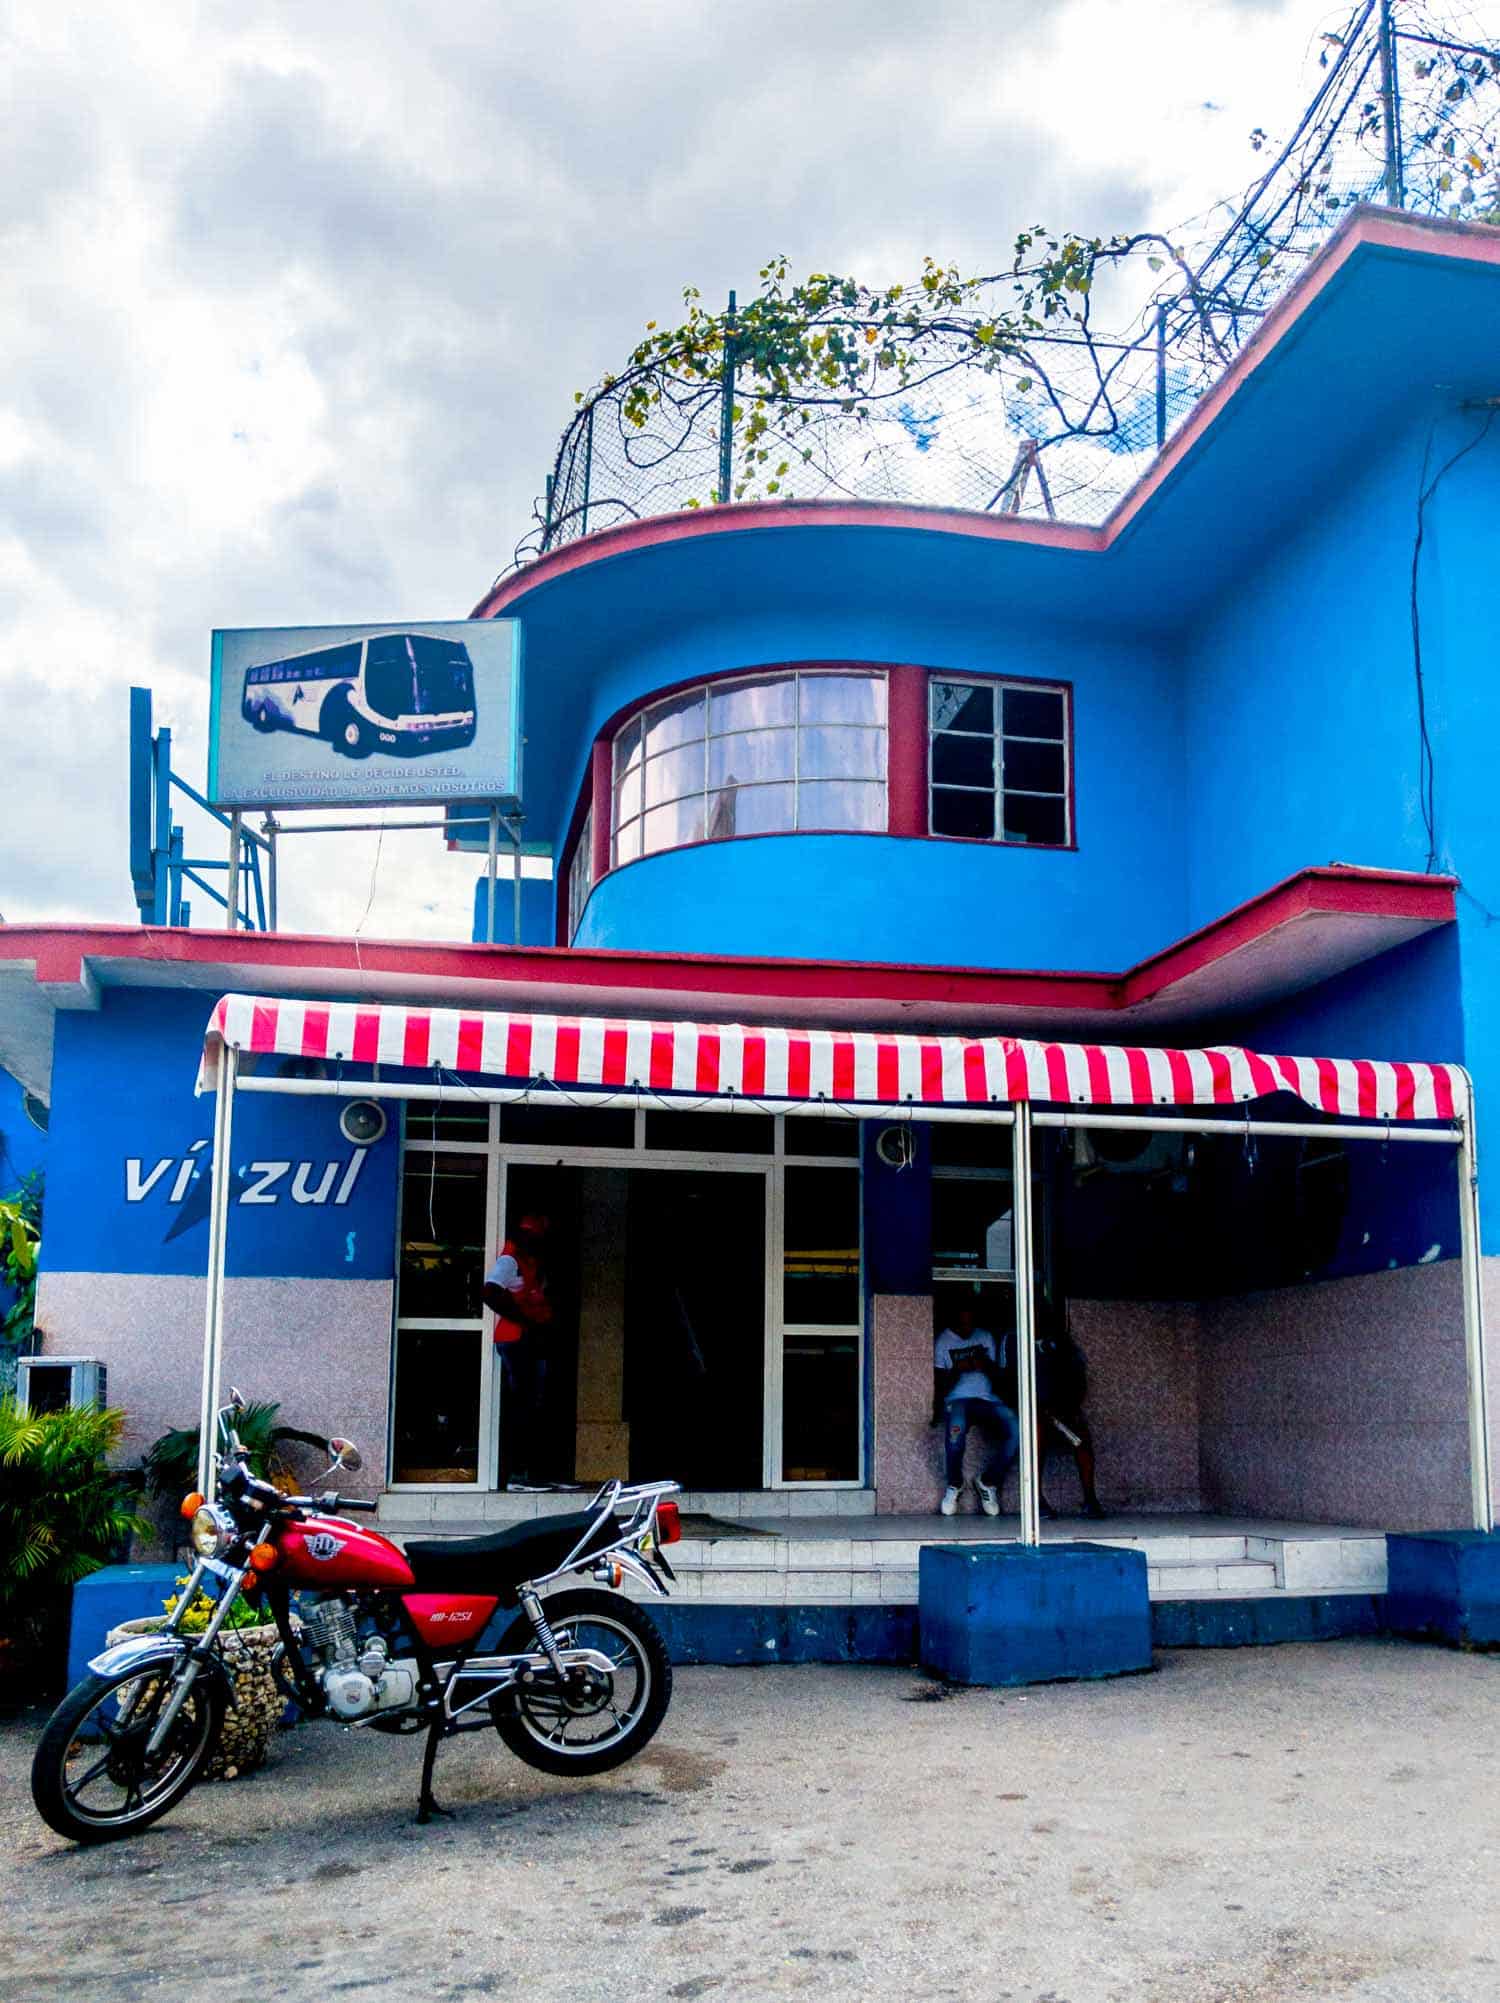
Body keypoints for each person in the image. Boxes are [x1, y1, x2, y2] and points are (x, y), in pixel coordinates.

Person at [482, 1212, 553, 1488]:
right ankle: (519, 1475)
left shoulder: (528, 1261)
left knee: (532, 1404)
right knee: (524, 1406)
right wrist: (523, 1320)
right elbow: (489, 1292)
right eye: (535, 1237)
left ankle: (529, 1473)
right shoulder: (510, 1260)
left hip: (527, 1338)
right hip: (516, 1338)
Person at [932, 1305, 1020, 1517]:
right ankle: (955, 1483)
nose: (967, 1328)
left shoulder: (985, 1336)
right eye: (962, 1324)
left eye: (970, 1323)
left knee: (1019, 1431)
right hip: (957, 1400)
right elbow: (939, 1384)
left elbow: (999, 1377)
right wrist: (957, 1370)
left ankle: (988, 1481)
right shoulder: (943, 1341)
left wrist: (984, 1364)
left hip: (988, 1400)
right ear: (953, 1321)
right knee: (955, 1431)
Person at [1035, 1298, 1106, 1520]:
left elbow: (1079, 1382)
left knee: (1082, 1436)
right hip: (1031, 1412)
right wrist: (1038, 1408)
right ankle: (1036, 1500)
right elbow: (1006, 1382)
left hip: (1060, 1410)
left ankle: (1090, 1499)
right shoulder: (1014, 1341)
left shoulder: (1065, 1346)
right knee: (1035, 1433)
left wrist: (1067, 1408)